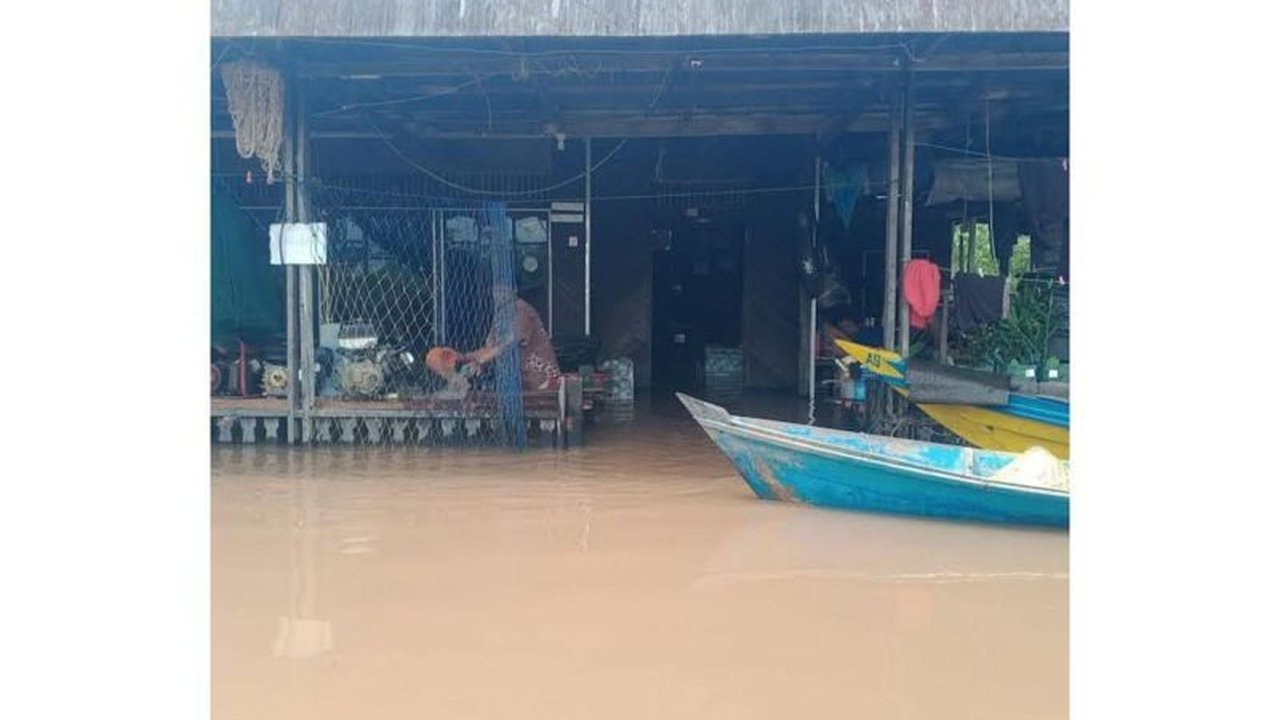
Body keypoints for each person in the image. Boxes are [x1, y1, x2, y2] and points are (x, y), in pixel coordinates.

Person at [463, 283, 561, 391]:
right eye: (495, 290)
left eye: (502, 289)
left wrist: (484, 357)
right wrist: (477, 361)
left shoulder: (521, 309)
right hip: (520, 378)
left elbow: (513, 340)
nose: (497, 294)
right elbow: (490, 345)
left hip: (541, 373)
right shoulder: (500, 314)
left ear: (513, 290)